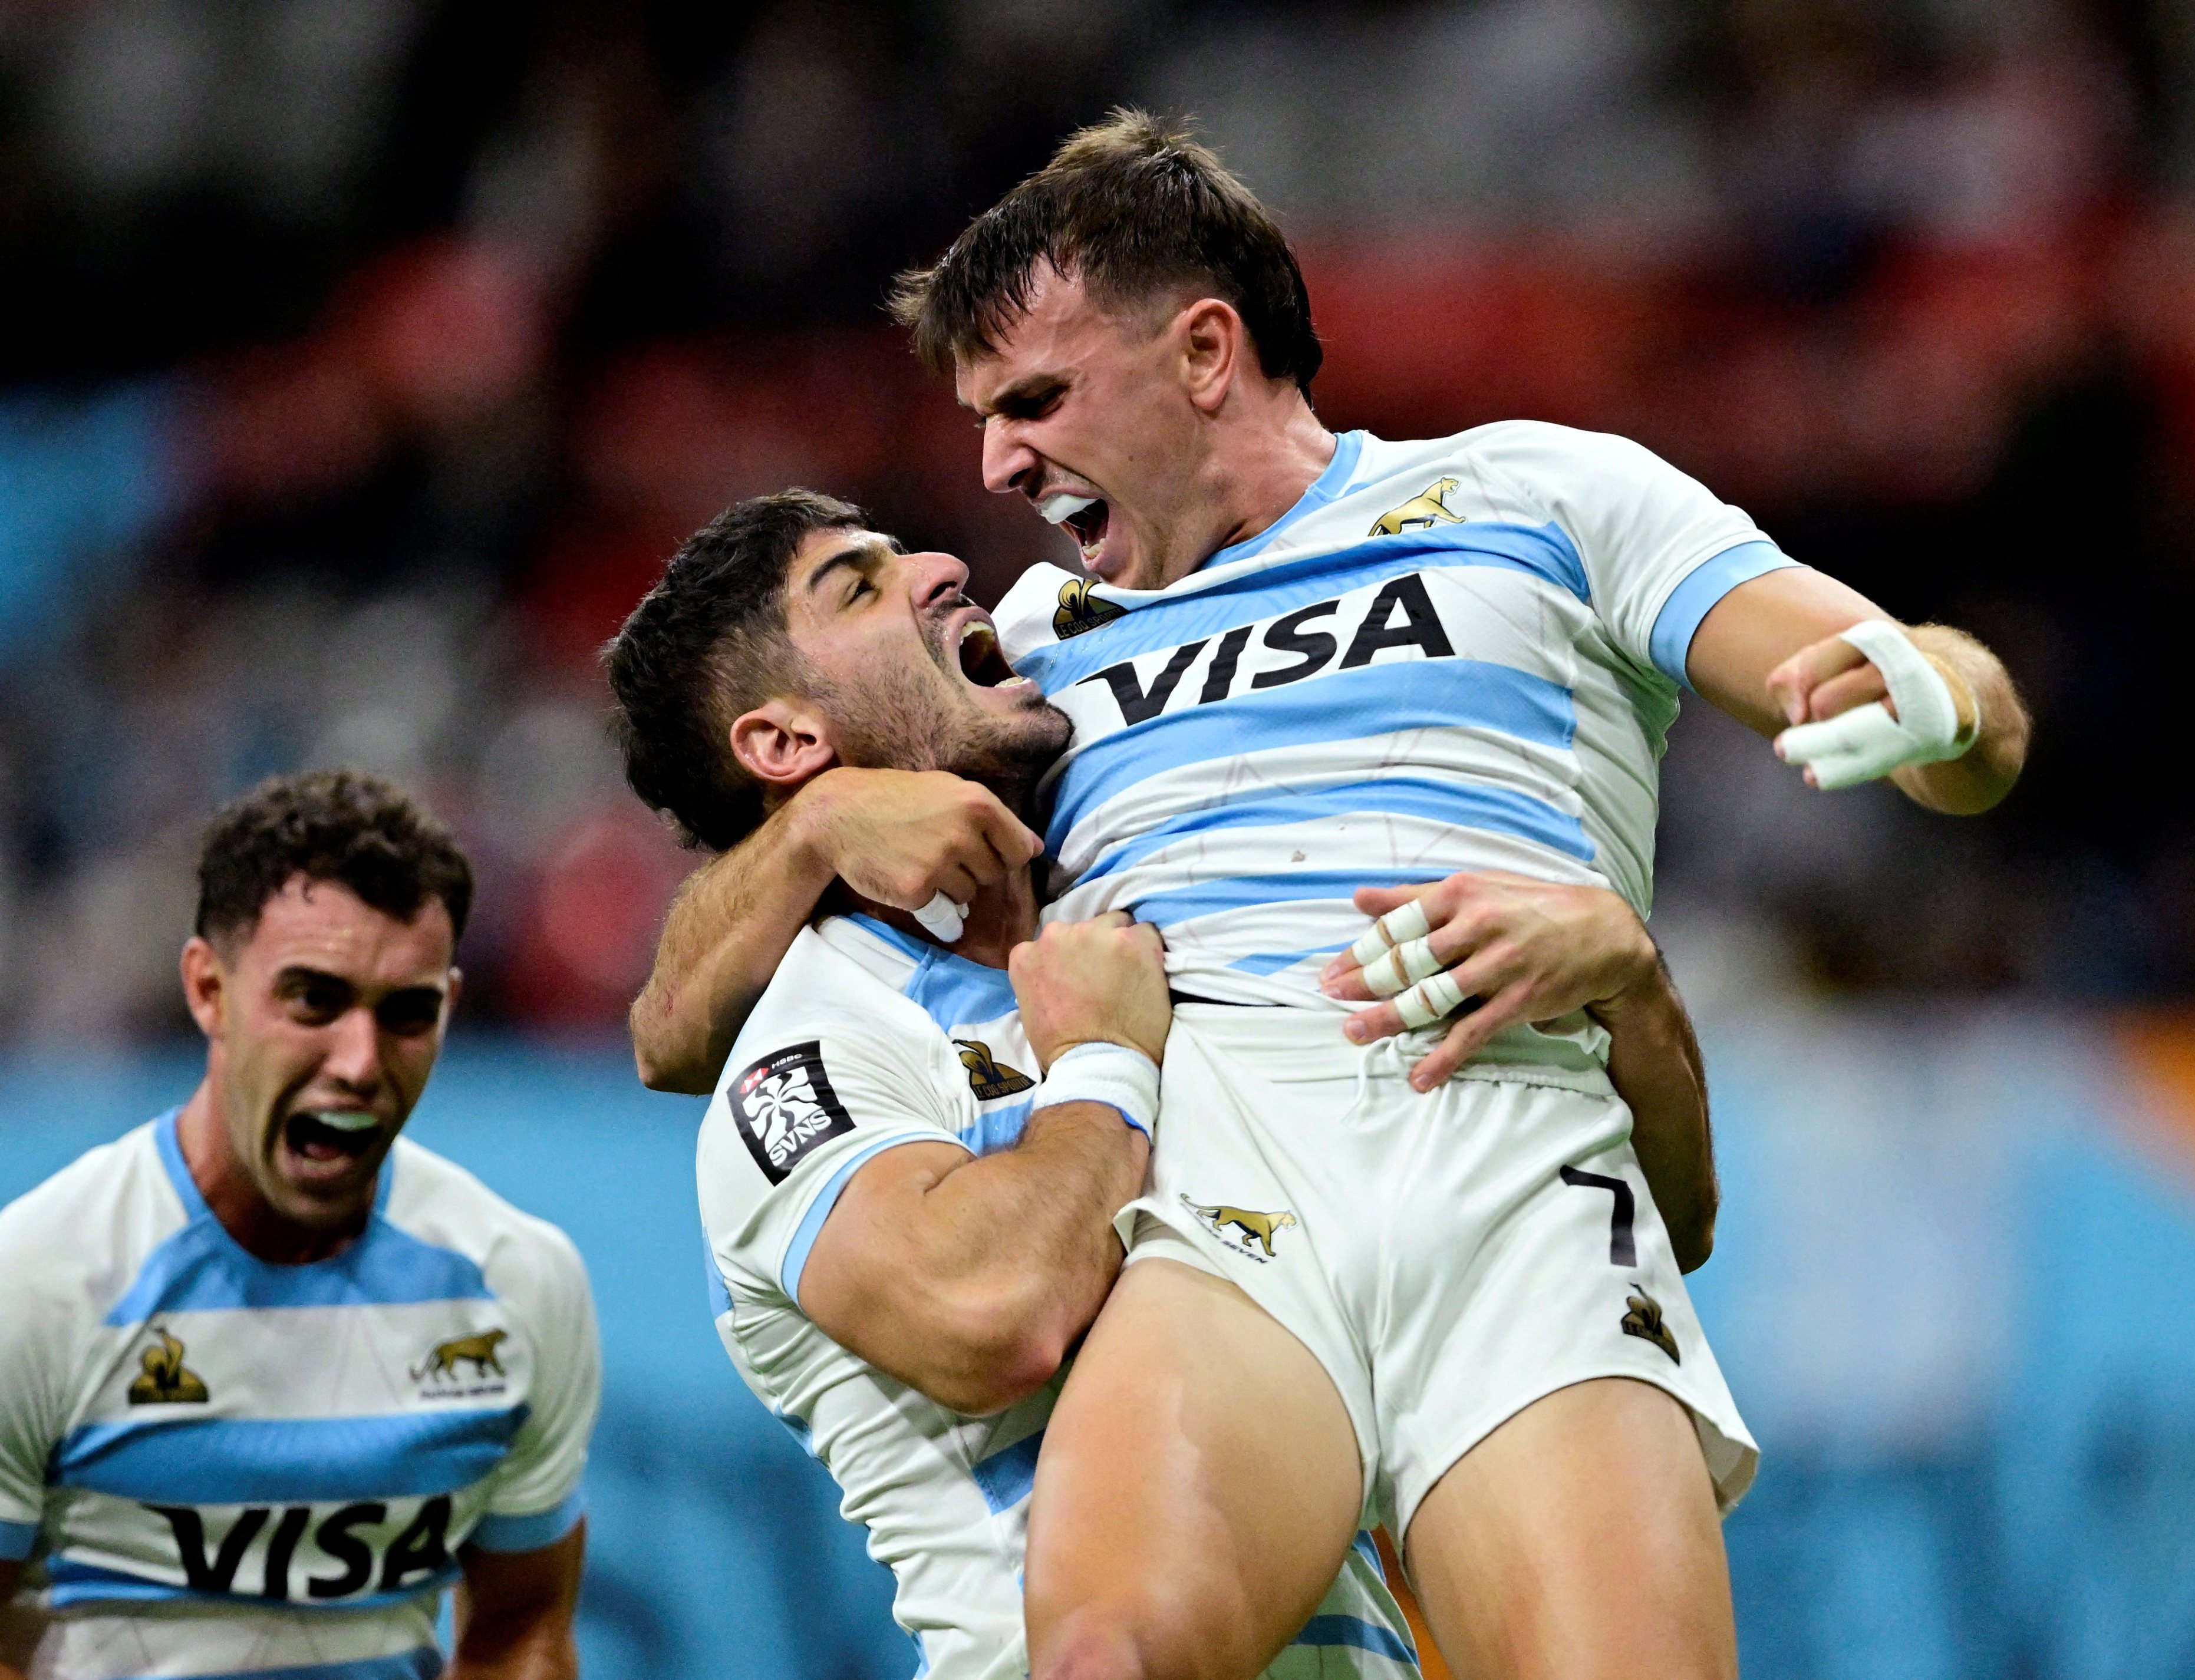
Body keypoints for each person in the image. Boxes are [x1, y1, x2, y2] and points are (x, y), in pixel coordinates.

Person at [634, 111, 2029, 1680]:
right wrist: (812, 833)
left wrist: (1950, 706)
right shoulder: (1025, 645)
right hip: (1231, 1171)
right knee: (1106, 1660)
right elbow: (679, 1025)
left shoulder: (1547, 497)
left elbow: (1938, 697)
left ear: (1205, 353)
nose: (995, 463)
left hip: (1516, 1159)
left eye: (1032, 400)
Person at [602, 489, 1728, 1680]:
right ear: (782, 745)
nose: (939, 564)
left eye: (900, 551)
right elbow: (992, 1313)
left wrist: (1629, 986)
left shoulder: (1157, 907)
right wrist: (1101, 1063)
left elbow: (1654, 1225)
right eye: (859, 585)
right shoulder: (822, 1046)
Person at [0, 773, 599, 1680]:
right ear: (208, 989)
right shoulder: (36, 1280)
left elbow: (522, 1624)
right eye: (314, 1000)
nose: (360, 1063)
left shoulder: (519, 1282)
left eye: (408, 1012)